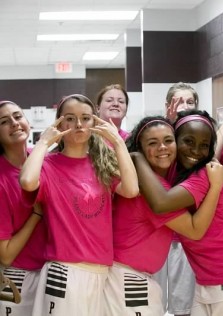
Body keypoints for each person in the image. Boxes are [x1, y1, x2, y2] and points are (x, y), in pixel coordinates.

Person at [132, 110, 223, 316]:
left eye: (204, 145)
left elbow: (161, 203)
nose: (196, 150)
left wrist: (136, 157)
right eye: (188, 141)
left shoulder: (204, 176)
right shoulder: (176, 172)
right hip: (206, 277)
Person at [19, 94, 139, 315]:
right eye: (70, 119)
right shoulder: (48, 165)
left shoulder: (101, 163)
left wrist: (118, 142)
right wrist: (44, 142)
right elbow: (27, 182)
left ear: (95, 122)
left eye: (85, 118)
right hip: (64, 269)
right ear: (59, 123)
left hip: (101, 270)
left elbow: (131, 190)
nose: (79, 125)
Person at [105, 115, 223, 316]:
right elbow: (195, 230)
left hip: (131, 277)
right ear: (140, 149)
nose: (163, 147)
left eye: (168, 141)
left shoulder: (155, 181)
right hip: (128, 279)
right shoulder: (152, 190)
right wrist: (215, 187)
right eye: (153, 143)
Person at [155, 82, 200, 316]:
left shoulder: (199, 141)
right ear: (167, 106)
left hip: (186, 237)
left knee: (184, 307)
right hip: (156, 233)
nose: (184, 107)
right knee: (154, 304)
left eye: (189, 102)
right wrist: (168, 125)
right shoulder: (159, 136)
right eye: (178, 101)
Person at [0, 100, 47, 315]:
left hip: (48, 273)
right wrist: (36, 215)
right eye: (4, 121)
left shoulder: (43, 161)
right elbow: (6, 255)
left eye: (18, 116)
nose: (14, 123)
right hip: (15, 277)